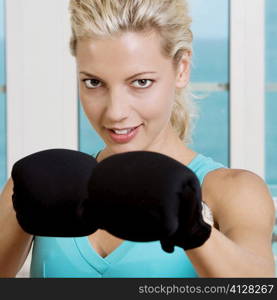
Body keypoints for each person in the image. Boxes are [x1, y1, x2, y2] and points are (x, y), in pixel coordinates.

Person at [0, 0, 275, 278]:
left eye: (141, 82)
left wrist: (194, 229)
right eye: (93, 82)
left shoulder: (233, 192)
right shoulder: (42, 187)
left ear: (181, 69)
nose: (115, 112)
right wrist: (17, 210)